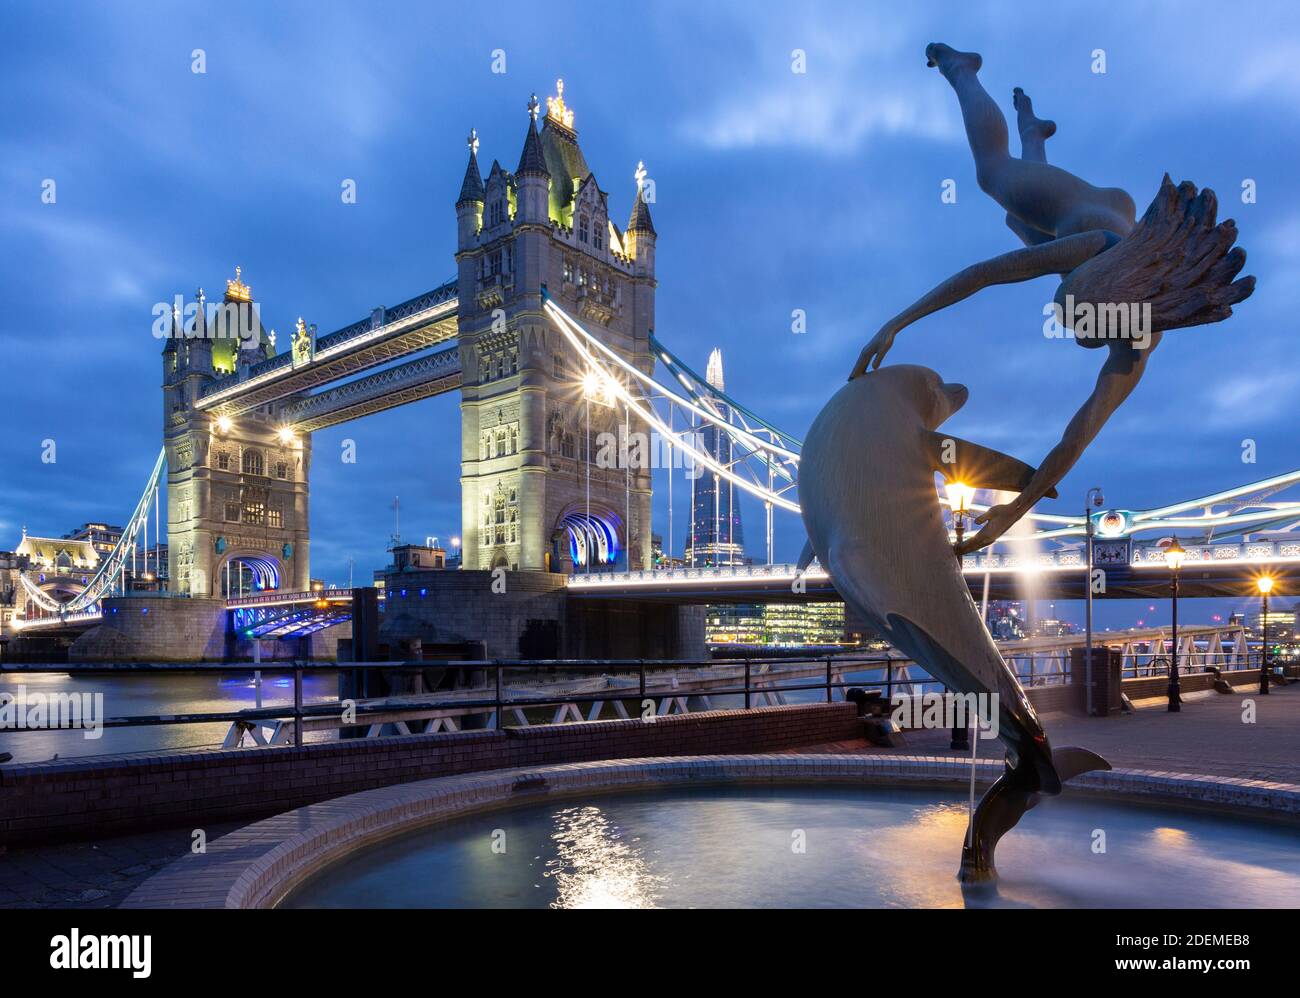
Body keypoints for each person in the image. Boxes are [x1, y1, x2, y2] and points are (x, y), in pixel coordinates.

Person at [851, 43, 1254, 553]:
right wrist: (897, 322)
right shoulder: (1094, 243)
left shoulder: (1138, 346)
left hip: (1104, 234)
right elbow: (984, 274)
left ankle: (1033, 133)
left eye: (1081, 330)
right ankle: (962, 69)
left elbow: (1076, 437)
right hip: (1089, 211)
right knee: (993, 175)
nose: (1073, 334)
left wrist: (1014, 510)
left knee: (1018, 220)